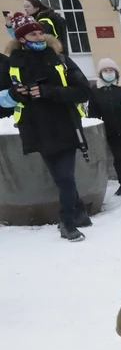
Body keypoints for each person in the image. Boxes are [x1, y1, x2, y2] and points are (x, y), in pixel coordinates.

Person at [1, 13, 91, 242]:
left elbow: (82, 90)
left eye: (41, 32)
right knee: (62, 178)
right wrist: (15, 94)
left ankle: (67, 223)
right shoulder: (11, 63)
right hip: (35, 129)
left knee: (65, 177)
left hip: (65, 125)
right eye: (33, 33)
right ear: (21, 38)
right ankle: (79, 210)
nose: (40, 36)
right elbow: (3, 100)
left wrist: (49, 92)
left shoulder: (60, 59)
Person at [87, 58, 121, 196]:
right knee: (119, 159)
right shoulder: (96, 90)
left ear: (116, 72)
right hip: (111, 131)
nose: (108, 73)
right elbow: (93, 113)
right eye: (105, 71)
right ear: (100, 73)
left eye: (111, 70)